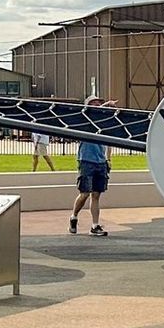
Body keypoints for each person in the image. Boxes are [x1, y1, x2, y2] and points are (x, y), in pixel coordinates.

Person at [70, 99, 110, 237]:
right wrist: (105, 106)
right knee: (84, 193)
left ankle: (94, 225)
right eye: (94, 103)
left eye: (99, 103)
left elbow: (109, 141)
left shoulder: (103, 123)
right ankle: (74, 216)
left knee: (96, 195)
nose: (97, 105)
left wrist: (107, 159)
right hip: (86, 160)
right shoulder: (84, 121)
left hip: (100, 162)